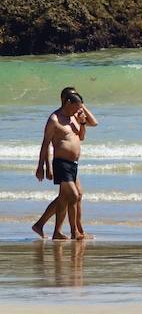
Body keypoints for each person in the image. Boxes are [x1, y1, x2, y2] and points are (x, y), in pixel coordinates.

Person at [32, 88, 98, 240]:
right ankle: (74, 232)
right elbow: (45, 144)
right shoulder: (54, 119)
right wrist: (42, 167)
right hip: (61, 163)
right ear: (68, 102)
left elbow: (92, 124)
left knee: (66, 197)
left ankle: (48, 228)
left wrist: (82, 114)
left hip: (73, 164)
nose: (79, 109)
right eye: (77, 106)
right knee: (73, 196)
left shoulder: (75, 117)